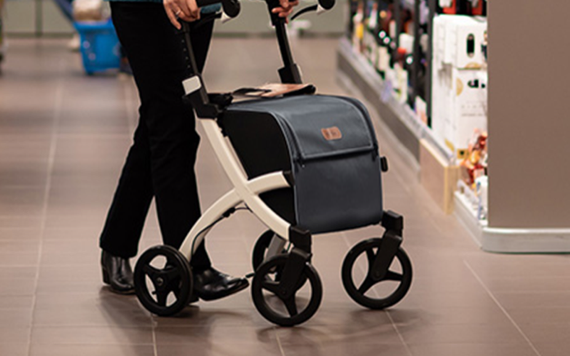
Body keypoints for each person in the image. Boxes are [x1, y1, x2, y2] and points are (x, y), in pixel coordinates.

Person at [99, 0, 298, 300]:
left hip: (199, 7)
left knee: (163, 118)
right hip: (148, 8)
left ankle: (116, 243)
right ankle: (189, 265)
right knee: (171, 125)